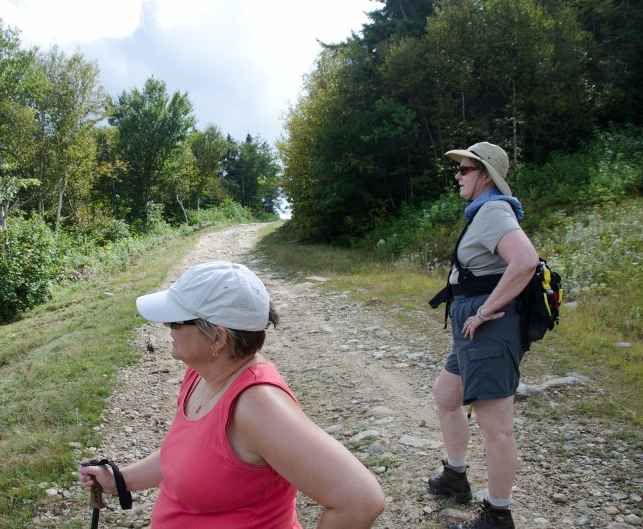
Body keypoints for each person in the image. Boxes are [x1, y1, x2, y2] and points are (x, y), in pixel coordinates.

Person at [79, 260, 385, 528]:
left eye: (175, 320)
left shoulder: (257, 406)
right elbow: (188, 456)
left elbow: (360, 500)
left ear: (217, 337)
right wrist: (120, 480)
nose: (165, 325)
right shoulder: (201, 374)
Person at [427, 142, 538, 529]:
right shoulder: (483, 211)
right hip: (472, 330)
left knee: (497, 426)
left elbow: (525, 260)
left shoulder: (492, 209)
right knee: (446, 396)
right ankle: (456, 477)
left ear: (486, 175)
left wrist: (486, 310)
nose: (457, 176)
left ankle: (497, 513)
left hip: (488, 329)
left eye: (464, 169)